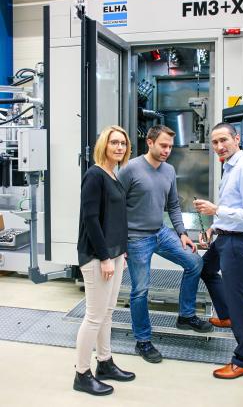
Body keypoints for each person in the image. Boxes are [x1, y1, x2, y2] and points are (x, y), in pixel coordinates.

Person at [118, 125, 212, 364]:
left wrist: (181, 232)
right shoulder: (130, 169)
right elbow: (115, 207)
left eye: (170, 146)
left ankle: (186, 315)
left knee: (194, 262)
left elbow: (173, 205)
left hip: (161, 232)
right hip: (136, 238)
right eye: (163, 145)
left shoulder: (169, 170)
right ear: (149, 143)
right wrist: (120, 242)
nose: (167, 150)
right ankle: (143, 341)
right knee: (140, 290)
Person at [194, 122, 243, 380]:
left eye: (224, 140)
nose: (219, 147)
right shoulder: (229, 166)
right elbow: (232, 206)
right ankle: (226, 316)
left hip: (238, 243)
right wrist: (213, 228)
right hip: (224, 237)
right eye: (214, 143)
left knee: (239, 301)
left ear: (236, 139)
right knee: (206, 270)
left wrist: (216, 210)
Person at [74, 125, 135, 396]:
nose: (119, 147)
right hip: (97, 256)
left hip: (114, 254)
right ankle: (81, 373)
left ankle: (105, 363)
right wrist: (104, 256)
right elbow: (90, 219)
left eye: (123, 143)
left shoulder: (114, 174)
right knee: (95, 316)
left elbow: (114, 218)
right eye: (114, 143)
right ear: (104, 146)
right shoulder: (95, 175)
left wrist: (119, 250)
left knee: (108, 312)